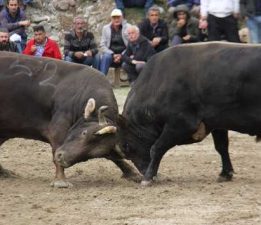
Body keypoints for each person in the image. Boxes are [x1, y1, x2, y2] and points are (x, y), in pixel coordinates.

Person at [98, 8, 131, 75]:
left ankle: (133, 81)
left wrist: (121, 55)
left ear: (122, 18)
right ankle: (101, 79)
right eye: (114, 17)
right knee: (106, 57)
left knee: (131, 57)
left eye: (118, 17)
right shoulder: (106, 28)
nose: (116, 20)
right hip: (111, 55)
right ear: (111, 18)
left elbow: (131, 44)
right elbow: (102, 45)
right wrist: (112, 54)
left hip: (125, 54)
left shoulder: (128, 27)